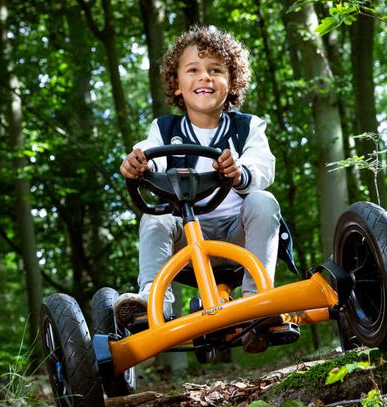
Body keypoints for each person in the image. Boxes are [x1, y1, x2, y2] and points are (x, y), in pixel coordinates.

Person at [115, 26, 280, 350]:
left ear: (231, 83)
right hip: (188, 243)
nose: (204, 77)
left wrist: (240, 172)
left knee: (263, 201)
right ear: (177, 86)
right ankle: (154, 300)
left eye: (215, 70)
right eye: (193, 70)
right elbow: (149, 153)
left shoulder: (248, 126)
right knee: (157, 217)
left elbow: (262, 165)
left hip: (239, 236)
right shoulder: (165, 129)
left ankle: (257, 301)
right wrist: (139, 165)